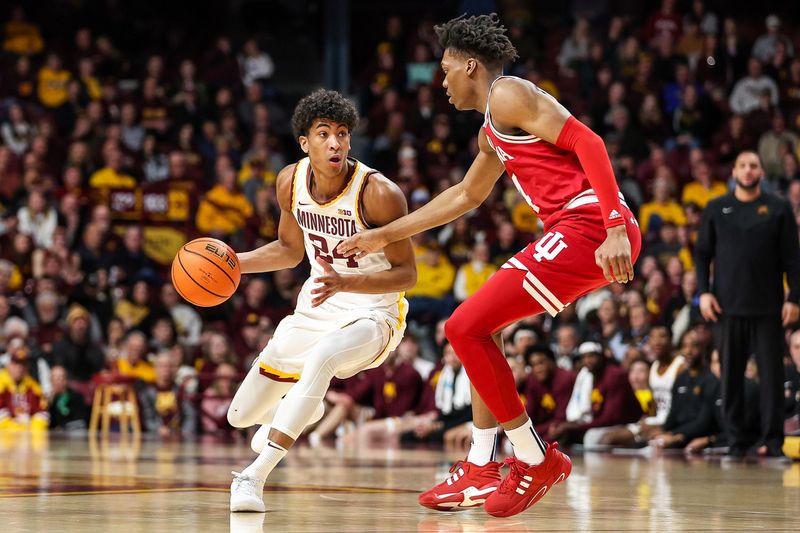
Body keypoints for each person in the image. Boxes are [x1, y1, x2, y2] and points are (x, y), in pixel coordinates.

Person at [337, 13, 641, 517]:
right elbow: (463, 196)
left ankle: (533, 456)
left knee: (462, 327)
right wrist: (382, 234)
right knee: (480, 328)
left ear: (470, 66)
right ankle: (481, 465)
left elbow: (590, 143)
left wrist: (612, 226)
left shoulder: (508, 94)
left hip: (590, 227)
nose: (442, 80)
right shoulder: (492, 128)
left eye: (445, 68)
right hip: (573, 231)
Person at [226, 89, 416, 512]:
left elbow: (408, 275)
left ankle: (253, 478)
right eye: (324, 133)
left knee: (324, 359)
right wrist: (234, 264)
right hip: (316, 304)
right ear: (304, 142)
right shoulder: (289, 181)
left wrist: (346, 284)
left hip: (374, 313)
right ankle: (303, 411)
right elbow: (289, 250)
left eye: (343, 134)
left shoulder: (379, 193)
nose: (335, 143)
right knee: (239, 417)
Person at [695, 151, 800, 458]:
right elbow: (702, 255)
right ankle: (735, 439)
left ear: (761, 173)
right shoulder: (716, 208)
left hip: (769, 308)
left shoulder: (778, 208)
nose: (748, 170)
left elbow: (793, 259)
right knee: (730, 376)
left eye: (753, 165)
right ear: (735, 172)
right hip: (727, 307)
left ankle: (774, 441)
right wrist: (704, 293)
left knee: (771, 377)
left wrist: (794, 297)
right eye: (742, 165)